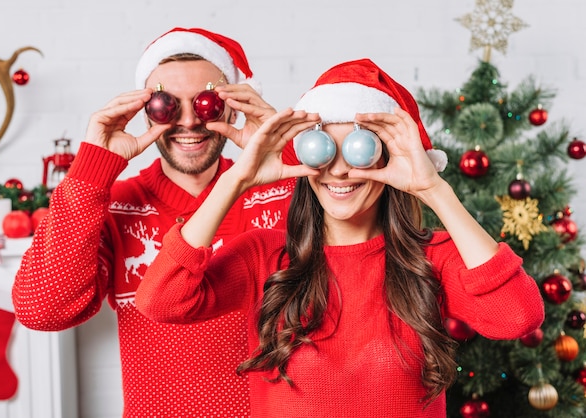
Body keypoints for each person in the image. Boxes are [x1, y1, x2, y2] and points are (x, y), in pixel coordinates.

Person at [135, 58, 545, 418]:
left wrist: (434, 189)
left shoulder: (432, 258)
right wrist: (236, 179)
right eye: (321, 149)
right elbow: (160, 300)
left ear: (389, 157)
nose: (339, 170)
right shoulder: (264, 256)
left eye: (359, 150)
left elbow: (518, 316)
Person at [12, 27, 302, 418]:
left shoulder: (283, 192)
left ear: (233, 105)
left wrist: (286, 154)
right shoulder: (116, 205)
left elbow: (355, 274)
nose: (187, 122)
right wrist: (92, 169)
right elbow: (43, 309)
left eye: (206, 103)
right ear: (145, 108)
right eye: (166, 104)